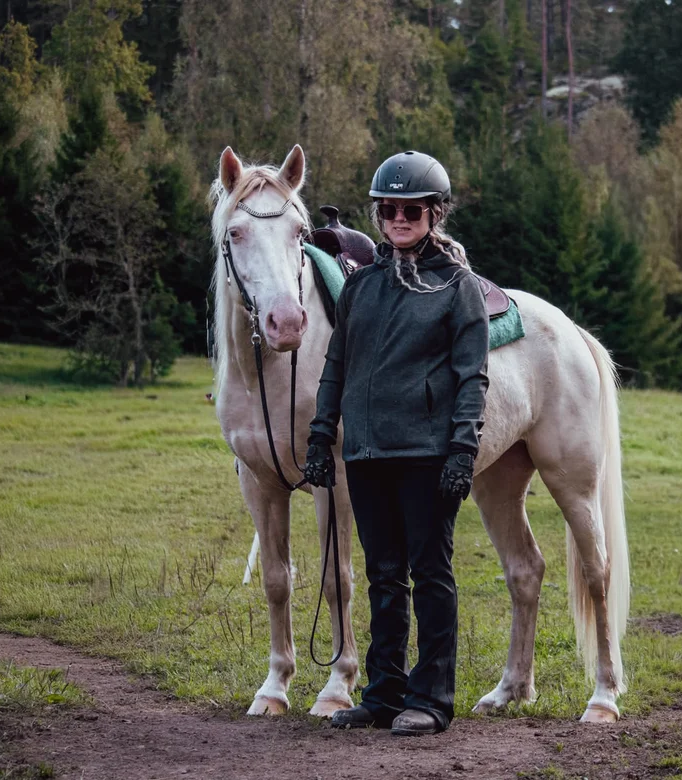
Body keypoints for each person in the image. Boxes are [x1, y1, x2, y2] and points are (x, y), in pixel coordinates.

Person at [303, 151, 490, 737]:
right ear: (378, 215)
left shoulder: (457, 287)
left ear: (435, 213)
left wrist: (463, 450)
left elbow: (471, 376)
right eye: (389, 209)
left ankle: (431, 699)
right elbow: (336, 365)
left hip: (428, 455)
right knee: (384, 575)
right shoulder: (361, 288)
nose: (399, 218)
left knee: (430, 573)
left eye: (412, 209)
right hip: (365, 453)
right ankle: (383, 694)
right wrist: (318, 434)